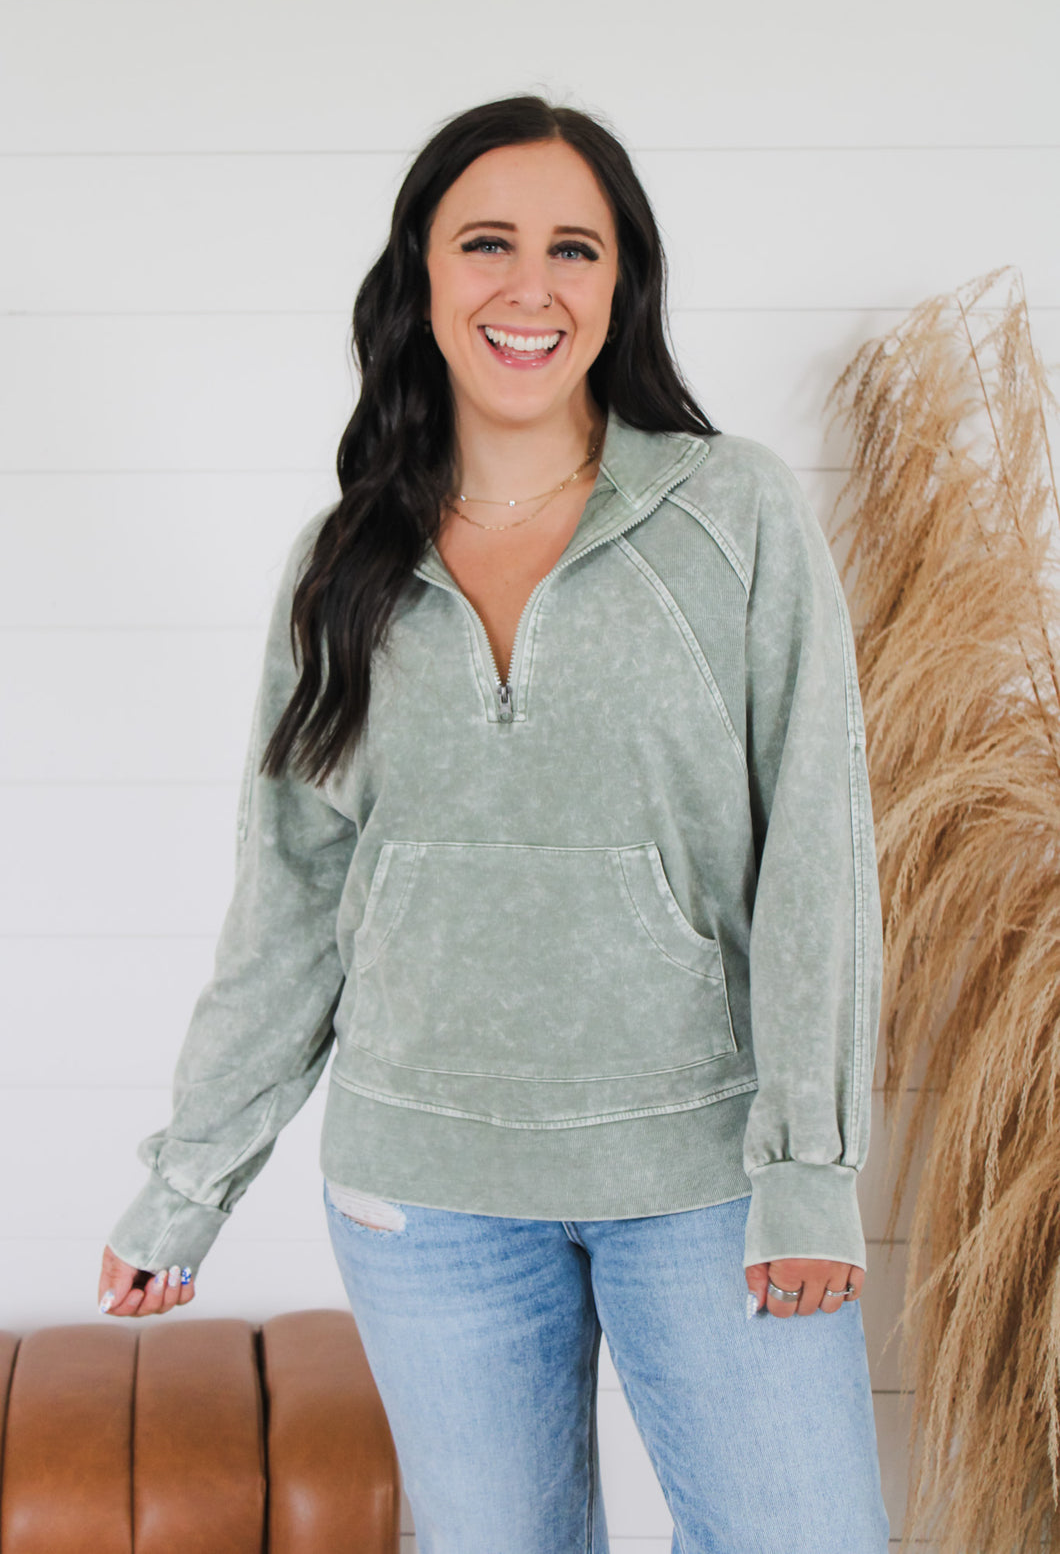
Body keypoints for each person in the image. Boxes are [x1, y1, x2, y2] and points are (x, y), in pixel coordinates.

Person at [98, 94, 890, 1552]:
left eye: (574, 248)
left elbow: (819, 857)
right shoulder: (338, 567)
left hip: (705, 1177)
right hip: (428, 1198)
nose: (531, 286)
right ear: (422, 272)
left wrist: (809, 1168)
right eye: (487, 243)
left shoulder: (736, 514)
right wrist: (187, 1184)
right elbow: (289, 908)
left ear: (621, 284)